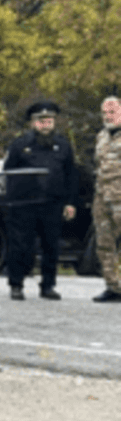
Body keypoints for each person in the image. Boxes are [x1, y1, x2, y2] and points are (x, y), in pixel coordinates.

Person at [3, 101, 78, 300]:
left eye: (50, 120)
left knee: (51, 246)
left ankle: (48, 285)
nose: (46, 124)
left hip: (52, 203)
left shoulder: (63, 145)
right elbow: (8, 172)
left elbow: (71, 175)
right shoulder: (20, 145)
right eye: (41, 121)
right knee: (21, 245)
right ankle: (16, 284)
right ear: (32, 123)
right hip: (24, 204)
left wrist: (70, 202)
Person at [92, 96, 121, 303]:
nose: (108, 116)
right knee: (104, 243)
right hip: (103, 196)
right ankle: (113, 286)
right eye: (105, 113)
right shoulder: (101, 136)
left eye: (112, 112)